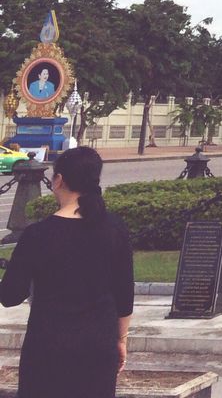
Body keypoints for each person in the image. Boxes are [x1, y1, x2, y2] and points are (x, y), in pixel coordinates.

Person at [0, 147, 134, 397]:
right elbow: (124, 294)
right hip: (98, 343)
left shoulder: (37, 235)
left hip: (47, 346)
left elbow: (10, 296)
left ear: (58, 180)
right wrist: (121, 340)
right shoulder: (114, 228)